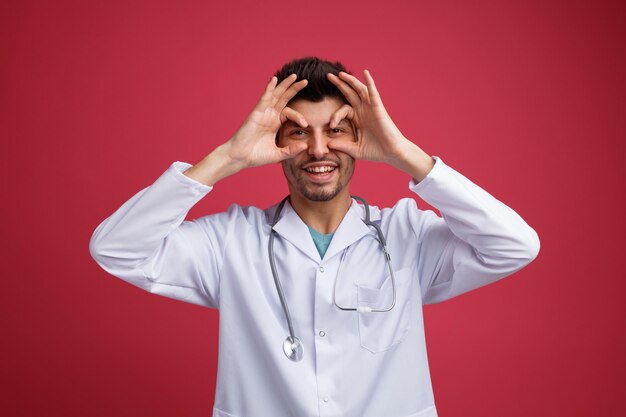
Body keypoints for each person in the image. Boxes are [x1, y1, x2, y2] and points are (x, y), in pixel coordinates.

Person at [90, 57, 540, 417]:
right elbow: (116, 249)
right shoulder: (232, 242)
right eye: (299, 133)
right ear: (276, 143)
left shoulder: (407, 236)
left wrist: (405, 155)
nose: (319, 149)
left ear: (359, 139)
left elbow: (516, 245)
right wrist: (229, 156)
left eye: (336, 131)